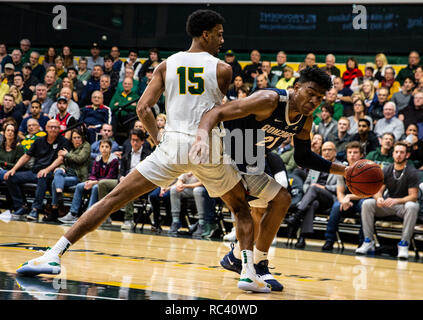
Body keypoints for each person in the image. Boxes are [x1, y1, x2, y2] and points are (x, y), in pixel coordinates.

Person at [16, 9, 271, 294]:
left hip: (172, 144)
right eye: (220, 34)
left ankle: (53, 255)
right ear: (206, 34)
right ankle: (248, 272)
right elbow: (219, 111)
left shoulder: (166, 65)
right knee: (241, 209)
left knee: (112, 198)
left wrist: (159, 137)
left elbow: (142, 108)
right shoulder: (223, 69)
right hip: (206, 145)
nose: (223, 40)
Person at [190, 66, 345, 292]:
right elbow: (219, 112)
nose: (314, 101)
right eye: (310, 93)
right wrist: (201, 138)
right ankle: (259, 264)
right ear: (296, 87)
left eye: (319, 98)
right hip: (222, 155)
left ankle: (236, 257)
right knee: (279, 199)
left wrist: (345, 171)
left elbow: (303, 157)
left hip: (249, 162)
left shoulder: (305, 120)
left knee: (266, 207)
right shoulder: (270, 100)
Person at [356, 141, 420, 259]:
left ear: (407, 155)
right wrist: (379, 198)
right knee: (367, 203)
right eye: (396, 152)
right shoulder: (387, 170)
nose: (399, 155)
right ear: (393, 154)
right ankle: (368, 241)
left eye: (402, 152)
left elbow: (413, 196)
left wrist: (396, 200)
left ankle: (404, 244)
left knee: (412, 206)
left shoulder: (412, 172)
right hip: (388, 205)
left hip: (403, 207)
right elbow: (377, 191)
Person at [4, 119, 71, 221]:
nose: (53, 129)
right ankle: (22, 206)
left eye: (56, 127)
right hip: (35, 171)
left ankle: (35, 209)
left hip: (51, 172)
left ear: (59, 129)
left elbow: (60, 159)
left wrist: (47, 170)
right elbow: (26, 156)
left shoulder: (64, 141)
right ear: (46, 128)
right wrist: (13, 169)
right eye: (51, 127)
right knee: (11, 177)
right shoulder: (39, 141)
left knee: (42, 176)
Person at [284, 141, 339, 248]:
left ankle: (296, 216)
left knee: (313, 187)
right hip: (314, 197)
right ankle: (302, 238)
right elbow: (306, 184)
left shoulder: (340, 167)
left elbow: (342, 187)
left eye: (329, 150)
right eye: (324, 150)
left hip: (330, 198)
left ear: (335, 152)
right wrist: (310, 189)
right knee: (312, 204)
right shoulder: (316, 165)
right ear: (321, 152)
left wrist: (323, 188)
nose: (327, 152)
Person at [94, 129, 152, 230]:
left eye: (137, 140)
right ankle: (105, 217)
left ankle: (129, 219)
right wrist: (121, 177)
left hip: (139, 184)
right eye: (132, 140)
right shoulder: (127, 153)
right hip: (124, 180)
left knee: (129, 186)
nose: (134, 143)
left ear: (142, 141)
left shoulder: (148, 155)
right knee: (102, 183)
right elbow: (121, 170)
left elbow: (148, 173)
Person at [60, 138, 119, 222]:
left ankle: (88, 215)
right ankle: (73, 213)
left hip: (107, 184)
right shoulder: (98, 158)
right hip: (96, 182)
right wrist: (90, 181)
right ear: (99, 148)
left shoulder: (114, 160)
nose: (104, 149)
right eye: (102, 146)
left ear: (110, 148)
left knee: (95, 188)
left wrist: (93, 182)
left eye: (107, 147)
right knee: (80, 186)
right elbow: (93, 174)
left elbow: (110, 177)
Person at [322, 141, 366, 251]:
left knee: (365, 206)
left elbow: (367, 193)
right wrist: (343, 201)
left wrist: (349, 197)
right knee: (337, 206)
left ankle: (362, 241)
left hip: (362, 199)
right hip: (347, 200)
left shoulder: (367, 170)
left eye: (355, 152)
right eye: (349, 152)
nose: (352, 155)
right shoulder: (342, 169)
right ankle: (329, 240)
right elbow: (340, 191)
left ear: (361, 155)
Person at [51, 128, 91, 222]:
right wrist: (61, 167)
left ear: (82, 138)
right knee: (58, 172)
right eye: (74, 138)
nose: (76, 140)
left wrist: (66, 154)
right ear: (71, 139)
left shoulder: (86, 146)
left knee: (54, 182)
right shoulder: (72, 149)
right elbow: (65, 163)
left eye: (78, 137)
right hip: (68, 174)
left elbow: (80, 159)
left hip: (78, 176)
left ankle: (55, 208)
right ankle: (59, 193)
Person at [169, 172, 217, 238]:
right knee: (174, 189)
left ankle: (202, 223)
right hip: (189, 189)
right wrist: (179, 184)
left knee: (197, 190)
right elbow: (180, 179)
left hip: (204, 190)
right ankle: (175, 221)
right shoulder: (188, 163)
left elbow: (202, 183)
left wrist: (185, 185)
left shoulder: (205, 164)